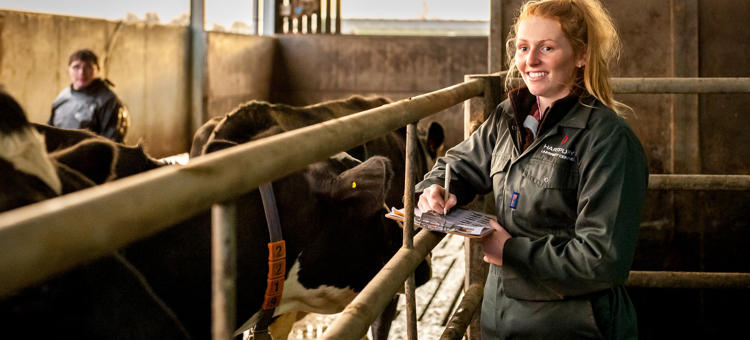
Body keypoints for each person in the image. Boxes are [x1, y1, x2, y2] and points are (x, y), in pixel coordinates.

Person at [415, 0, 648, 338]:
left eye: (547, 47)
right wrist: (438, 188)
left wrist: (510, 251)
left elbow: (602, 260)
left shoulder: (608, 140)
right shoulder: (508, 118)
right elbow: (458, 164)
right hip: (501, 320)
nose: (530, 60)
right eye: (523, 47)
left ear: (581, 55)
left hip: (572, 326)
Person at [48, 49, 129, 143]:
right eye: (76, 67)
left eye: (88, 67)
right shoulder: (62, 98)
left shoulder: (108, 101)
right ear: (68, 69)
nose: (82, 72)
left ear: (98, 69)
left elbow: (113, 144)